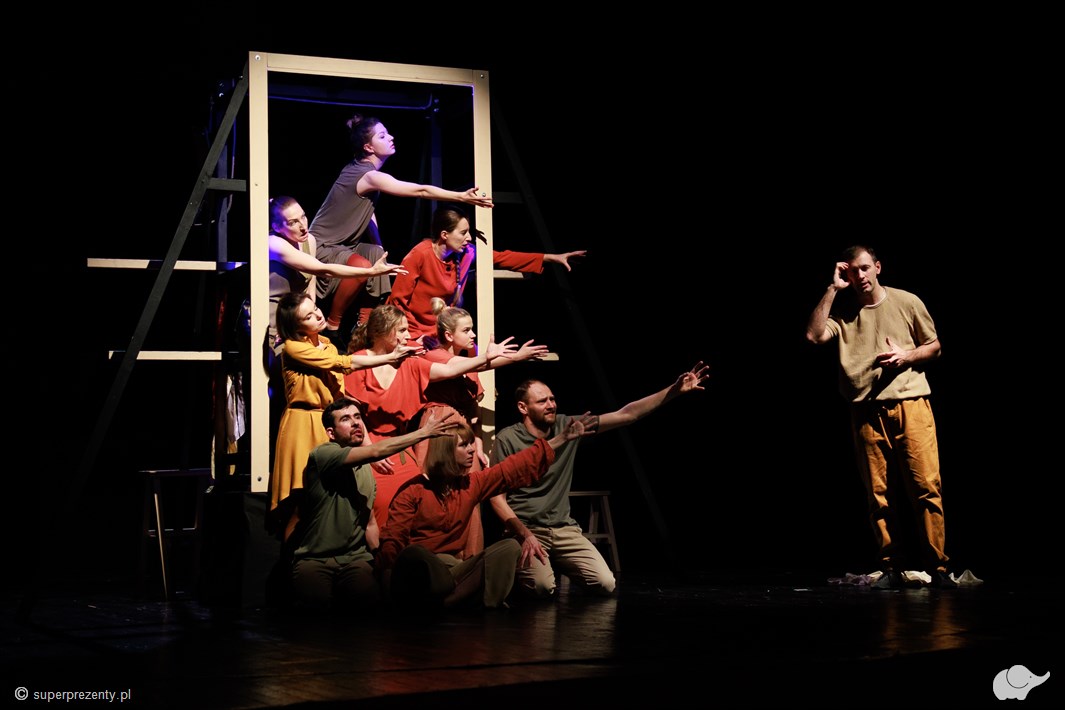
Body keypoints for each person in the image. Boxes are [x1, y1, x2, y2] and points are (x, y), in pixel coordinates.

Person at [488, 362, 710, 598]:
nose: (551, 405)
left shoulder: (568, 425)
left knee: (605, 583)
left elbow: (626, 414)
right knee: (542, 587)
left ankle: (556, 563)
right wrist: (525, 535)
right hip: (527, 529)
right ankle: (523, 568)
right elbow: (496, 498)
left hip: (564, 529)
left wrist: (673, 391)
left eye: (552, 399)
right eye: (542, 401)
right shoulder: (508, 439)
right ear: (523, 407)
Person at [805, 245, 953, 588]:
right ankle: (891, 566)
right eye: (851, 271)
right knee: (878, 493)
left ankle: (938, 568)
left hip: (910, 403)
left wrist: (907, 356)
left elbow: (934, 346)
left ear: (878, 267)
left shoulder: (907, 301)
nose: (859, 276)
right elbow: (814, 335)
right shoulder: (843, 311)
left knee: (926, 487)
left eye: (864, 268)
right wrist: (832, 288)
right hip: (865, 410)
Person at [308, 115, 494, 342]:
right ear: (368, 147)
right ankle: (333, 326)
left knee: (377, 255)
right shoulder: (367, 175)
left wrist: (378, 246)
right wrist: (460, 196)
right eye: (382, 136)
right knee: (363, 265)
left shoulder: (361, 171)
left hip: (344, 245)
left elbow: (368, 214)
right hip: (323, 246)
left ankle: (364, 327)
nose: (391, 137)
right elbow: (420, 191)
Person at [376, 417, 588, 610]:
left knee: (509, 547)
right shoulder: (413, 491)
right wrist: (388, 587)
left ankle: (450, 602)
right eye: (463, 445)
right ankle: (457, 598)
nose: (471, 450)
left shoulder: (470, 484)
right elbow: (393, 539)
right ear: (445, 451)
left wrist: (560, 439)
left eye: (471, 443)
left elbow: (511, 468)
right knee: (415, 554)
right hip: (424, 572)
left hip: (454, 570)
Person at [343, 304, 523, 530]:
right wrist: (371, 451)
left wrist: (489, 357)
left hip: (401, 445)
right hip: (369, 445)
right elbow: (353, 415)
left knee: (416, 501)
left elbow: (450, 370)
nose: (408, 336)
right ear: (384, 331)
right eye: (402, 330)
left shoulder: (409, 362)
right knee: (380, 504)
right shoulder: (360, 361)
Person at [268, 292, 418, 541]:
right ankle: (296, 561)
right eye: (308, 316)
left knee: (333, 497)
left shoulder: (326, 344)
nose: (318, 315)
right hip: (304, 424)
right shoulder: (294, 347)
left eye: (315, 308)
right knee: (303, 502)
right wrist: (390, 357)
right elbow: (342, 363)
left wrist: (364, 439)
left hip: (331, 423)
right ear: (296, 326)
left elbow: (339, 391)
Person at [291, 397, 453, 611]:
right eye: (346, 419)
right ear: (331, 432)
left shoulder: (367, 470)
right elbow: (375, 451)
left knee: (370, 605)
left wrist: (382, 563)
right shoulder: (322, 454)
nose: (355, 423)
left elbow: (370, 524)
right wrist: (423, 433)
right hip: (315, 559)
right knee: (316, 611)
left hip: (354, 559)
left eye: (357, 417)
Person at [418, 306, 549, 556]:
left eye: (472, 329)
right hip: (440, 426)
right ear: (449, 335)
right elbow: (472, 365)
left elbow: (473, 409)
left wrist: (477, 443)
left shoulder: (469, 366)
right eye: (466, 330)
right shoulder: (436, 357)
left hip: (463, 430)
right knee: (437, 494)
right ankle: (438, 559)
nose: (473, 335)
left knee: (469, 496)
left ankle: (469, 560)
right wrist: (516, 357)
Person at [387, 206, 587, 342]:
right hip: (413, 331)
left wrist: (550, 258)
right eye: (463, 232)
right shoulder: (420, 254)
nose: (469, 237)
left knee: (472, 359)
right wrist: (413, 335)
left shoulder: (466, 253)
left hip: (443, 331)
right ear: (444, 235)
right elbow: (398, 301)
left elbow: (502, 257)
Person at [267, 195, 405, 356]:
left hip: (295, 320)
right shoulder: (273, 243)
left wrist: (313, 320)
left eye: (303, 217)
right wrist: (371, 272)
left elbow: (310, 285)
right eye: (292, 222)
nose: (303, 226)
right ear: (277, 227)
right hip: (270, 320)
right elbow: (323, 269)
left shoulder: (309, 240)